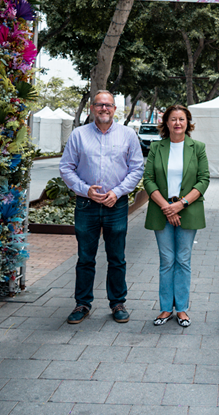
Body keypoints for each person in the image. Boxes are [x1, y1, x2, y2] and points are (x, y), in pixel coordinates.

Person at [60, 90, 145, 325]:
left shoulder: (128, 135)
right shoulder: (79, 135)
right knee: (85, 257)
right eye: (99, 105)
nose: (104, 109)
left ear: (115, 109)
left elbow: (137, 168)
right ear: (92, 108)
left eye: (108, 105)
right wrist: (85, 189)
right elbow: (66, 168)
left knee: (116, 257)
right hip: (86, 203)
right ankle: (82, 304)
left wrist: (116, 192)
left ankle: (117, 302)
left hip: (115, 204)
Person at [142, 105, 209, 328]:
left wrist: (181, 204)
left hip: (187, 210)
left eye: (182, 119)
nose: (177, 123)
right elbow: (148, 179)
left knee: (183, 260)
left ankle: (181, 309)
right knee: (167, 260)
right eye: (173, 119)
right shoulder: (156, 147)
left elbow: (203, 179)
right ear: (167, 123)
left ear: (188, 123)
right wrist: (166, 207)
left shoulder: (197, 148)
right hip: (162, 210)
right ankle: (164, 308)